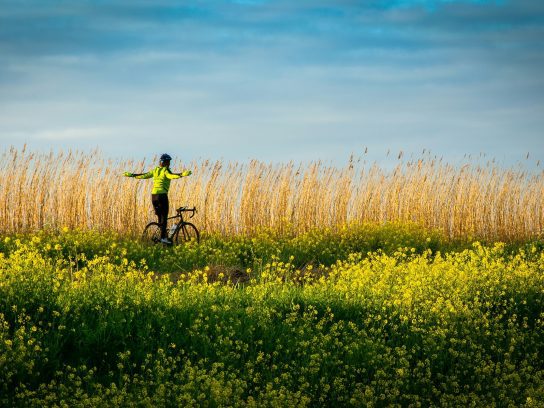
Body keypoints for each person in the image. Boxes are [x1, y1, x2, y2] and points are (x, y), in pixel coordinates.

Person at [124, 153, 192, 244]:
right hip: (162, 196)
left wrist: (132, 175)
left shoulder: (155, 170)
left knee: (160, 218)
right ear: (166, 163)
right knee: (164, 216)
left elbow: (144, 175)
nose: (169, 164)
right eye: (169, 162)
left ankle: (160, 239)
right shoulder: (165, 171)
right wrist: (182, 174)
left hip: (154, 197)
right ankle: (163, 238)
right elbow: (172, 176)